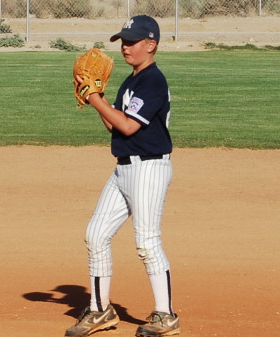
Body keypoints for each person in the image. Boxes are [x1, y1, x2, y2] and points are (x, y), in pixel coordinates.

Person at [65, 15, 180, 337]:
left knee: (146, 241)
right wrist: (96, 98)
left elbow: (129, 126)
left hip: (149, 168)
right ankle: (101, 310)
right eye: (123, 42)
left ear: (151, 45)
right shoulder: (131, 81)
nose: (125, 47)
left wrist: (95, 97)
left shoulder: (153, 80)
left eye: (132, 42)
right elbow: (114, 123)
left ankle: (166, 315)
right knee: (96, 235)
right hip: (124, 167)